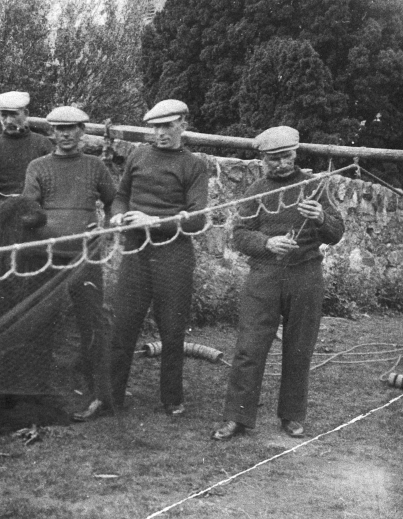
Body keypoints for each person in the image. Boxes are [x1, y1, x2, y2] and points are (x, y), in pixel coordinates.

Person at [211, 126, 345, 440]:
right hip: (264, 276)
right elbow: (240, 234)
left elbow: (336, 233)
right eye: (272, 159)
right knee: (249, 346)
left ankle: (292, 417)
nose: (280, 163)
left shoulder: (314, 186)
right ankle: (237, 417)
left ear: (295, 154)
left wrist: (321, 218)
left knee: (299, 348)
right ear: (262, 159)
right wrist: (267, 243)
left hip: (305, 275)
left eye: (285, 156)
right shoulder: (255, 189)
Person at [101, 99, 209, 420]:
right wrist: (118, 216)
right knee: (123, 327)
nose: (160, 133)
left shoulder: (194, 165)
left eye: (167, 126)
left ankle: (172, 399)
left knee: (172, 331)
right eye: (156, 127)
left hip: (173, 256)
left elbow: (197, 219)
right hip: (136, 253)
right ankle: (113, 397)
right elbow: (120, 197)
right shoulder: (138, 155)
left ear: (183, 126)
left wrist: (152, 221)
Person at [21, 106, 116, 422]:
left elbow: (113, 200)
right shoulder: (38, 166)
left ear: (81, 131)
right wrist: (30, 214)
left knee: (92, 321)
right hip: (46, 256)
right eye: (60, 129)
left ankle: (98, 393)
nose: (66, 134)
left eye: (72, 128)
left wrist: (109, 225)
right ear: (51, 133)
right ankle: (37, 389)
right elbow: (30, 203)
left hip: (86, 256)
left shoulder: (95, 166)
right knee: (40, 318)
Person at [0, 91, 54, 204]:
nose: (8, 121)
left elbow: (52, 186)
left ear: (26, 113)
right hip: (0, 210)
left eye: (13, 114)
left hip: (33, 209)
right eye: (4, 115)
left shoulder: (43, 144)